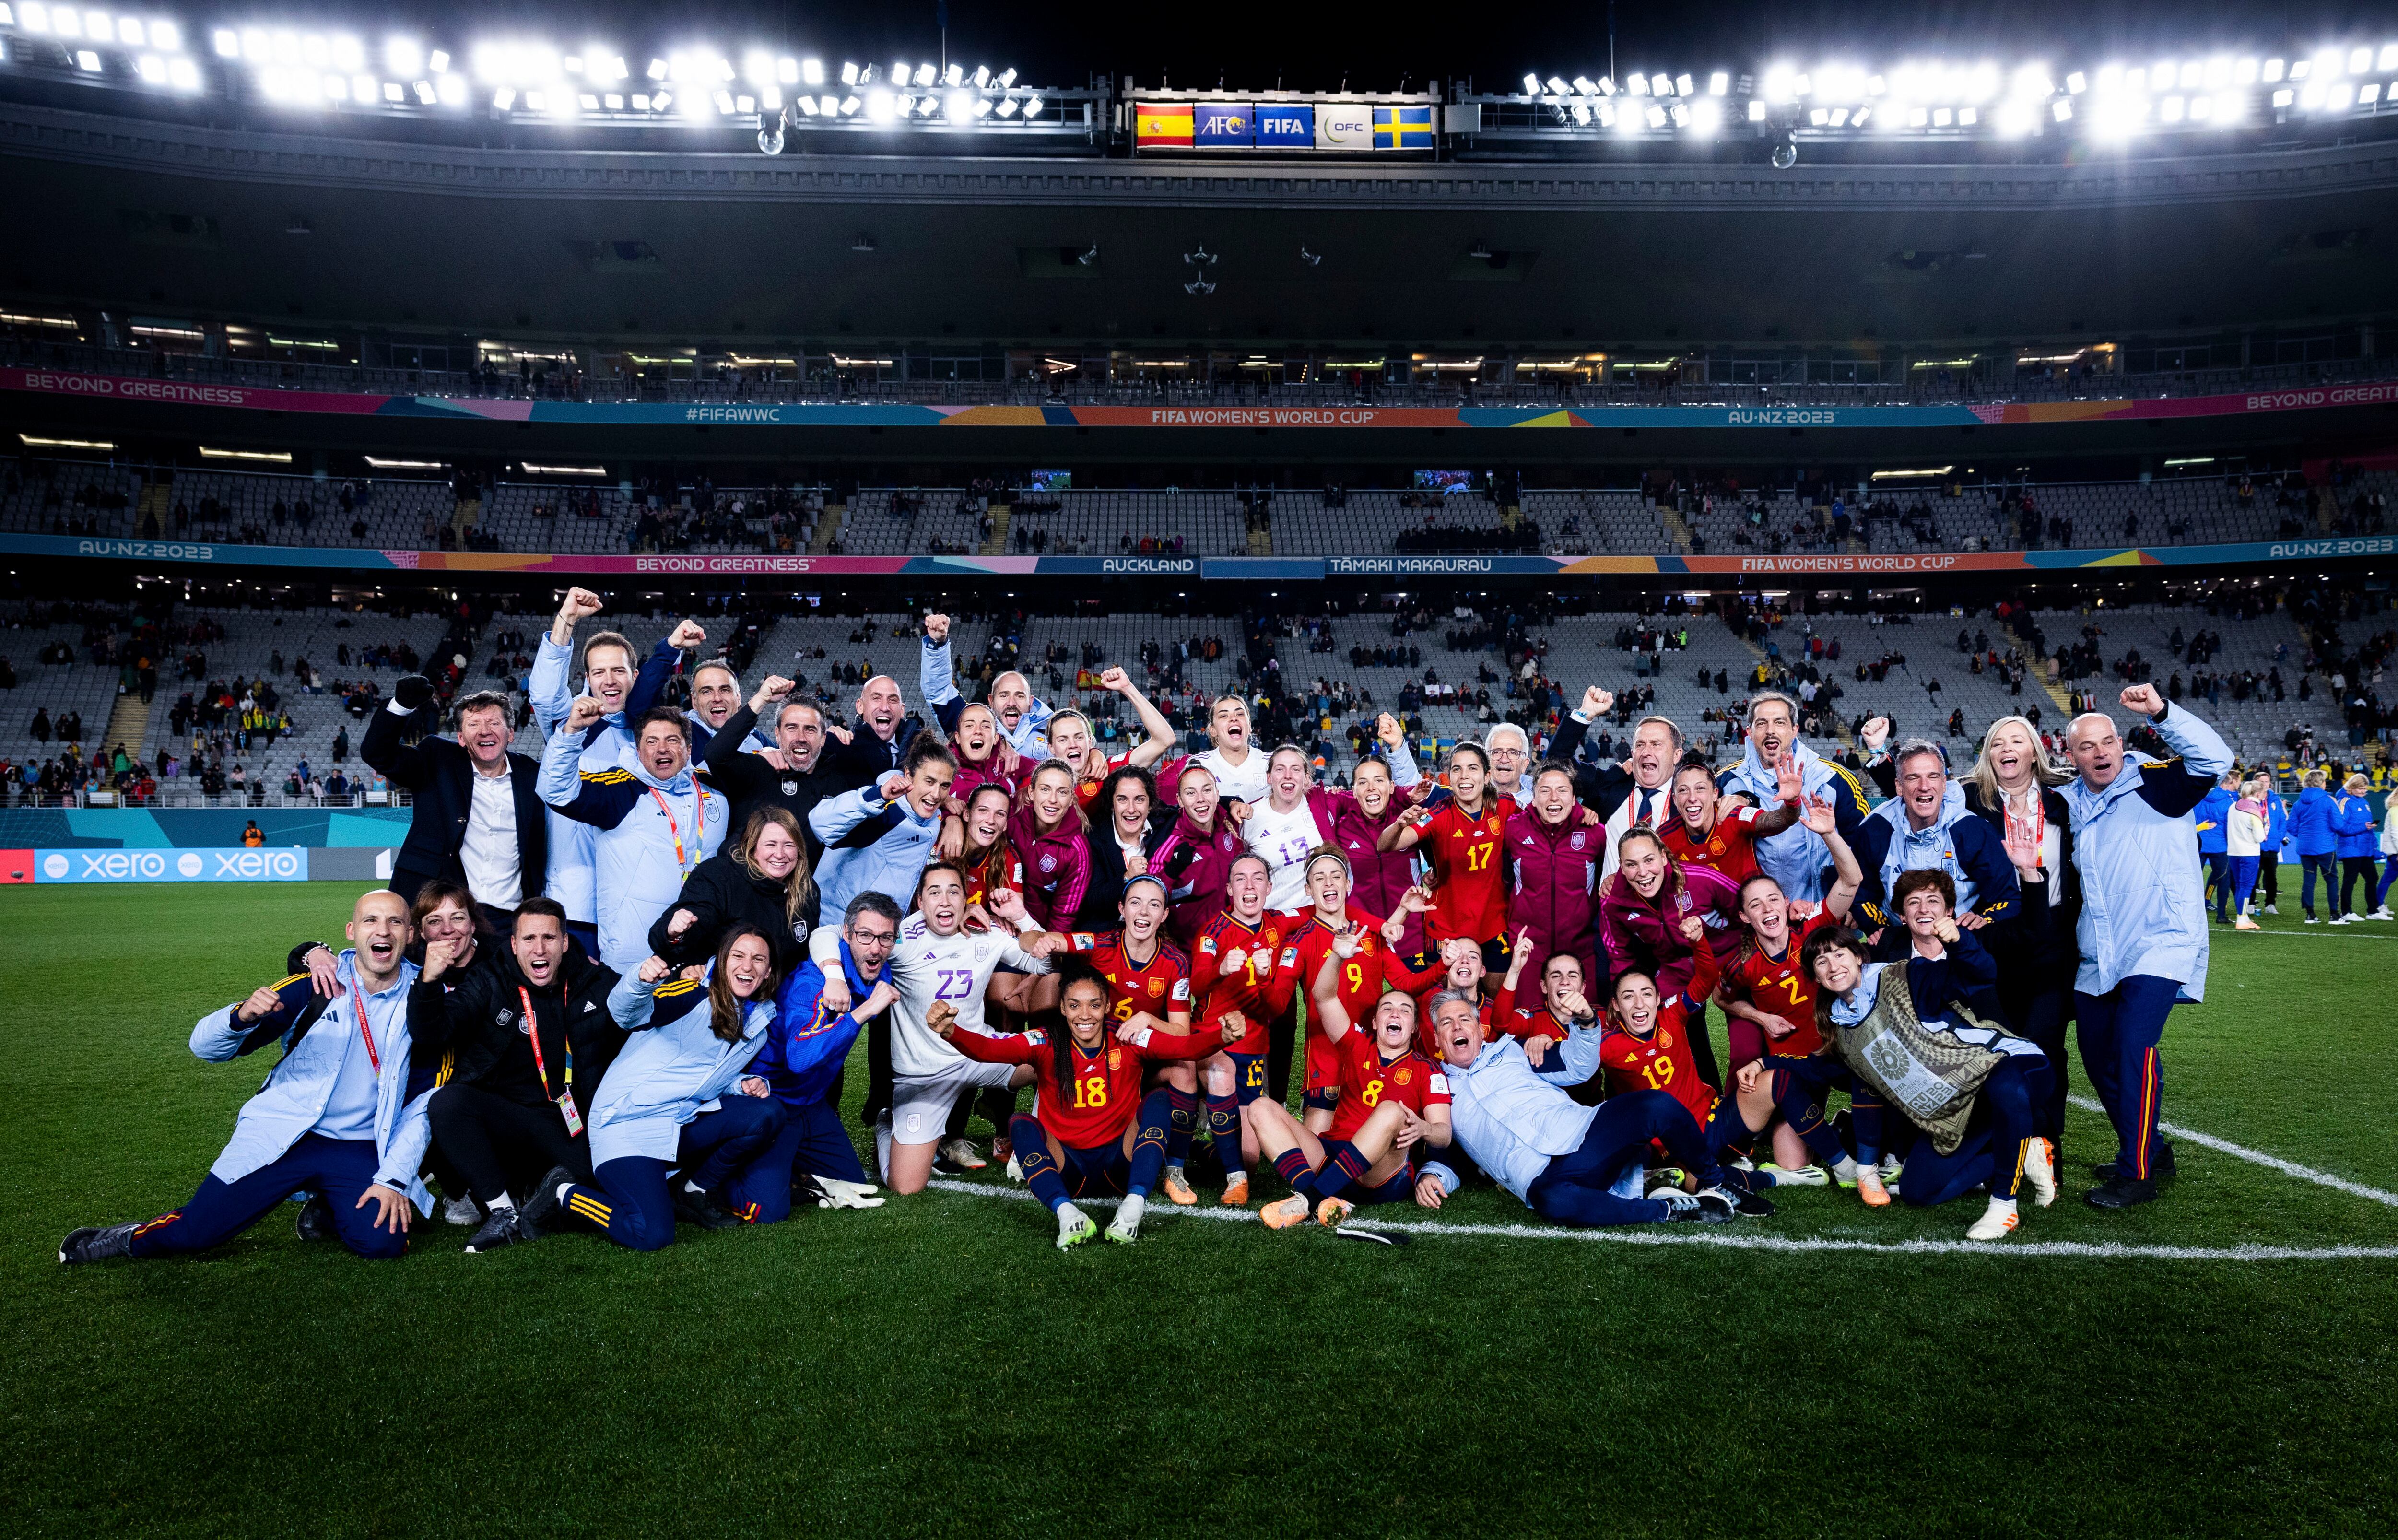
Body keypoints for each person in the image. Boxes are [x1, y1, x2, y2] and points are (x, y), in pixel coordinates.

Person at [61, 892, 437, 1264]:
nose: (382, 930)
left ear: (411, 934)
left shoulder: (431, 1000)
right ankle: (127, 1238)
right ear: (352, 931)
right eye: (371, 920)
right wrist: (240, 1016)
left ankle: (330, 1204)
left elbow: (424, 1103)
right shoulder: (313, 986)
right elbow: (204, 1047)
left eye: (395, 921)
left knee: (384, 1243)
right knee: (198, 1233)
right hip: (288, 1134)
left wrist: (392, 1179)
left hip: (361, 1147)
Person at [1805, 876, 2058, 1240]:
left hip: (2005, 1065)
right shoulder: (1841, 1026)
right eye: (1821, 961)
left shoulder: (1908, 972)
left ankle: (2004, 1205)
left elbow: (1981, 973)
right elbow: (1830, 1069)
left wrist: (1959, 942)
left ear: (1860, 957)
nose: (1832, 966)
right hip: (1960, 1103)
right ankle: (2027, 1150)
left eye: (1839, 954)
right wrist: (1766, 1065)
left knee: (2003, 1083)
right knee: (1918, 1190)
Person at [2062, 685, 2234, 1209]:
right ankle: (2151, 1148)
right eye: (2086, 746)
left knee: (2132, 1048)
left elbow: (2216, 758)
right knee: (2096, 1057)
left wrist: (2160, 713)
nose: (2100, 752)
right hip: (2099, 949)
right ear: (2070, 756)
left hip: (2159, 940)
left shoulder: (2157, 782)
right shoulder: (2066, 801)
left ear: (2121, 742)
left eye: (2107, 740)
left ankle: (2135, 1174)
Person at [516, 928, 785, 1249]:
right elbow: (625, 1012)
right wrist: (639, 980)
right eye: (739, 956)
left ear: (769, 971)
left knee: (768, 1113)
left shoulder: (759, 1024)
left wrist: (742, 1083)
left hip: (677, 1122)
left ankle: (693, 1190)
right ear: (724, 959)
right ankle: (564, 1193)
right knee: (651, 1234)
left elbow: (703, 1074)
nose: (748, 966)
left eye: (759, 959)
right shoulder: (692, 992)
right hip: (626, 1124)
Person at [943, 958, 1241, 1247]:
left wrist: (1223, 1037)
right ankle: (1067, 1215)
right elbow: (988, 1049)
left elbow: (1185, 1045)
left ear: (1107, 1006)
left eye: (1094, 1005)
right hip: (1068, 1168)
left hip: (1121, 1164)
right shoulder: (1046, 1041)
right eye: (1074, 1006)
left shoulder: (1128, 1038)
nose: (1085, 1015)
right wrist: (950, 1032)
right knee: (1020, 1124)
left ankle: (1133, 1209)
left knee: (1160, 1101)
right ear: (1062, 1008)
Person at [811, 865, 1053, 1192]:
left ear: (966, 900)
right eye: (935, 892)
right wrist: (835, 977)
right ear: (920, 903)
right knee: (905, 1186)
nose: (945, 900)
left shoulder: (985, 932)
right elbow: (825, 934)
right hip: (923, 1074)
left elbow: (1047, 963)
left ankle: (1038, 1149)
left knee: (1057, 1059)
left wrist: (1021, 917)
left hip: (980, 1054)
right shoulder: (901, 938)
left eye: (954, 891)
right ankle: (887, 1121)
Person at [1429, 990, 1751, 1227]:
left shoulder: (1512, 1050)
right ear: (1436, 1037)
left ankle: (1715, 1181)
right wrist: (1433, 1173)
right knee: (1550, 1200)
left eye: (1465, 1019)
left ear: (1478, 1027)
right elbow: (1442, 1139)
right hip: (1538, 1174)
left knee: (1656, 1104)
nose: (1458, 1028)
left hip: (1583, 1134)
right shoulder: (1437, 1085)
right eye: (1447, 1023)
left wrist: (1584, 1021)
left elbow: (1579, 1065)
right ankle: (1668, 1209)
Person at [423, 898, 627, 1253]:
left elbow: (639, 1010)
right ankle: (504, 1211)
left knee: (607, 1182)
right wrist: (428, 981)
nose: (540, 949)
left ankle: (539, 1195)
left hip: (566, 1119)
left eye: (549, 938)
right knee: (448, 1103)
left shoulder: (594, 980)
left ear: (565, 942)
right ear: (514, 944)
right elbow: (433, 1030)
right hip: (505, 1117)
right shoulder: (490, 978)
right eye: (529, 939)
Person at [1958, 715, 2081, 1158]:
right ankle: (2003, 1147)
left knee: (2045, 1042)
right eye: (1997, 743)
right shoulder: (1971, 799)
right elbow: (1920, 791)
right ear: (1989, 756)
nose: (2006, 749)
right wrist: (1879, 757)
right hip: (1995, 936)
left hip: (2052, 936)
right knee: (1998, 1045)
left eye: (2017, 741)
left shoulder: (2065, 800)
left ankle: (2047, 1146)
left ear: (2034, 751)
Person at [1597, 916, 1791, 1184]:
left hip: (1709, 1119)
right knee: (1693, 1180)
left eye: (1646, 994)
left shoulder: (1672, 1015)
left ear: (1658, 998)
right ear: (1616, 1005)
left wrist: (1699, 941)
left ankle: (1835, 1153)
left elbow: (1705, 979)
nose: (1639, 1004)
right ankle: (1769, 1178)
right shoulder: (1608, 1047)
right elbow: (1575, 1068)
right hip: (1666, 1145)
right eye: (1629, 996)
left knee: (1778, 1080)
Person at [529, 588, 672, 952]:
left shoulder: (651, 737)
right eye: (599, 671)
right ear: (588, 678)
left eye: (618, 670)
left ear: (635, 675)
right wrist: (568, 619)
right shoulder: (571, 722)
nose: (609, 680)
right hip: (577, 900)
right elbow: (545, 694)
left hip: (636, 901)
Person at [538, 702, 729, 973]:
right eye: (652, 741)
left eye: (672, 740)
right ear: (638, 752)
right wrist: (572, 732)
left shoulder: (715, 790)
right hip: (634, 953)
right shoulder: (620, 789)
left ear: (688, 750)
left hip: (699, 947)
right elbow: (556, 791)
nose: (662, 748)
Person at [1251, 989, 1455, 1228]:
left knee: (1391, 1110)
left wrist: (1424, 1128)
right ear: (1375, 1022)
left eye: (1405, 1010)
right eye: (1387, 1008)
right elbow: (1323, 996)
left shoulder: (1428, 1069)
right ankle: (1320, 1198)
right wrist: (1337, 954)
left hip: (1381, 1173)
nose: (1395, 1014)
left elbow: (1445, 1134)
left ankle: (1309, 1200)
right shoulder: (1359, 1044)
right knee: (1260, 1107)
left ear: (1414, 1028)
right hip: (1333, 1155)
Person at [759, 893, 907, 1213]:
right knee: (769, 1207)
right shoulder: (814, 983)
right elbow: (798, 1058)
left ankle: (796, 1163)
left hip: (812, 1105)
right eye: (866, 935)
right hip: (772, 1101)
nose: (876, 948)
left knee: (851, 1180)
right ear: (847, 934)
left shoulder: (877, 969)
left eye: (886, 938)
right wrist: (862, 1012)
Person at [362, 677, 545, 924]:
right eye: (474, 724)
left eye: (494, 723)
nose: (484, 731)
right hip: (440, 914)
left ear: (510, 734)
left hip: (509, 916)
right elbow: (378, 754)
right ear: (460, 737)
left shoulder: (533, 775)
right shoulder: (437, 759)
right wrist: (401, 706)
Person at [1187, 853, 1305, 1203]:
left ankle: (1197, 1148)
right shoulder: (1213, 931)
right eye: (1240, 878)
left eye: (1257, 878)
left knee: (1251, 1159)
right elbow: (1196, 984)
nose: (1249, 886)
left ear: (1270, 888)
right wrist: (1221, 968)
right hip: (1214, 1041)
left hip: (1254, 1050)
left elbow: (1320, 910)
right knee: (1220, 1079)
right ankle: (1230, 1177)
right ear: (1229, 889)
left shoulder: (1278, 924)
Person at [1597, 825, 1743, 1087]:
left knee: (1749, 1039)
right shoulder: (1614, 900)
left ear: (1664, 857)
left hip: (1728, 958)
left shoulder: (1699, 878)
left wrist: (1747, 952)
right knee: (1651, 1011)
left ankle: (1731, 1106)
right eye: (1631, 865)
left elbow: (1744, 908)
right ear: (1621, 866)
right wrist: (1623, 994)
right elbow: (1619, 956)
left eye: (1649, 860)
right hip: (1676, 970)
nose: (1642, 873)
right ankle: (1665, 1096)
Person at [1717, 694, 1878, 902]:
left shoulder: (1833, 778)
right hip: (1760, 916)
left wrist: (1858, 903)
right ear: (1749, 732)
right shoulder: (1726, 783)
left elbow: (1865, 847)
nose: (1770, 731)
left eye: (1780, 722)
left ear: (1794, 730)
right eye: (1762, 723)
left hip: (1823, 911)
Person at [1850, 739, 2022, 934]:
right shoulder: (1875, 830)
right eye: (1913, 778)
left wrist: (1984, 919)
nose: (1924, 786)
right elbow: (1861, 895)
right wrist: (1883, 931)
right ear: (1899, 786)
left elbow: (2008, 898)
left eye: (1933, 777)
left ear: (1944, 783)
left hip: (1960, 941)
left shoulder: (1974, 831)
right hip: (1899, 943)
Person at [1381, 741, 1517, 969]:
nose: (1464, 776)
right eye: (1457, 769)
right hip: (1446, 926)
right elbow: (1386, 845)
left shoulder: (1504, 807)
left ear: (1487, 776)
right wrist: (1398, 825)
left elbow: (1541, 817)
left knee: (1497, 1000)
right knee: (1448, 1002)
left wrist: (1581, 810)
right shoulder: (1438, 814)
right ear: (1449, 778)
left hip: (1493, 924)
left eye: (1473, 768)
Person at [808, 732, 955, 929]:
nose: (937, 794)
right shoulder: (884, 810)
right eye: (929, 782)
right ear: (909, 775)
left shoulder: (933, 820)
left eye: (944, 786)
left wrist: (954, 820)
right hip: (837, 929)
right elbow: (819, 822)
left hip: (882, 937)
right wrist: (878, 795)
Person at [650, 808, 817, 973]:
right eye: (771, 845)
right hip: (715, 986)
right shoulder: (720, 876)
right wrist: (674, 932)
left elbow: (803, 957)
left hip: (778, 992)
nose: (780, 854)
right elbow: (688, 928)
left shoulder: (807, 889)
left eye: (789, 845)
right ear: (752, 848)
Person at [702, 675, 841, 855]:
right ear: (777, 734)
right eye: (791, 728)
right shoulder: (761, 769)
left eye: (810, 729)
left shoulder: (838, 779)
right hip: (749, 880)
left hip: (808, 883)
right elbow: (715, 755)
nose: (800, 738)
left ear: (823, 738)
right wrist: (760, 700)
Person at [1503, 761, 1607, 991]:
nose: (1553, 798)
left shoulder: (1596, 834)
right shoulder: (1513, 829)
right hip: (1528, 950)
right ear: (1533, 797)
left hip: (1580, 952)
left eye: (1562, 790)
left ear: (1573, 798)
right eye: (1545, 790)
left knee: (1581, 1023)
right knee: (1526, 1023)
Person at [921, 612, 1055, 760]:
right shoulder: (970, 725)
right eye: (1004, 695)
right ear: (991, 701)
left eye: (1019, 696)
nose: (1012, 703)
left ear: (1031, 702)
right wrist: (937, 644)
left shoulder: (1055, 731)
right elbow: (939, 693)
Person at [1660, 751, 1801, 885]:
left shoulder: (1734, 816)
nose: (1692, 798)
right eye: (1683, 791)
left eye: (1700, 789)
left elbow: (1779, 820)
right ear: (1675, 799)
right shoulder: (1664, 838)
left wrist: (1792, 803)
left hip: (1750, 908)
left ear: (1715, 794)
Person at [1046, 667, 1177, 810]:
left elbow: (1165, 740)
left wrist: (1128, 689)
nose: (1072, 745)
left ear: (1090, 741)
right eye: (1063, 740)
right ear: (1051, 747)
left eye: (1079, 737)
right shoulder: (1037, 784)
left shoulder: (1107, 772)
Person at [1150, 760, 1246, 947]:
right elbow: (1150, 896)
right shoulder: (1170, 843)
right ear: (1179, 800)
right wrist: (1171, 873)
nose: (1200, 799)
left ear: (1218, 794)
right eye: (1191, 793)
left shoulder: (1232, 824)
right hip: (1190, 949)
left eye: (1207, 790)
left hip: (1235, 939)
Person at [1073, 765, 1162, 930]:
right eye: (1122, 799)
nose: (1131, 809)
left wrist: (1227, 802)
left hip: (1154, 932)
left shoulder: (1164, 825)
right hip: (1108, 932)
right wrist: (1127, 878)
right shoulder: (1093, 839)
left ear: (1150, 804)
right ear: (1112, 804)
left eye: (1139, 799)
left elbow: (1191, 810)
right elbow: (1093, 900)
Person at [821, 671, 924, 789]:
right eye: (876, 698)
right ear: (860, 706)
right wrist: (819, 738)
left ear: (902, 710)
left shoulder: (923, 749)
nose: (885, 707)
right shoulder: (839, 746)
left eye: (893, 700)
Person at [2291, 768, 2340, 923]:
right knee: (2331, 880)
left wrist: (2305, 835)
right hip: (2324, 847)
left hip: (2305, 848)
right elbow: (2338, 824)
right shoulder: (2328, 801)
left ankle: (2310, 914)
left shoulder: (2299, 803)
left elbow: (2292, 826)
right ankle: (2334, 914)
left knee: (2309, 879)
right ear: (2322, 783)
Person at [2332, 772, 2379, 923]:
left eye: (2365, 788)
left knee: (2372, 878)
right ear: (2351, 787)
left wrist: (2373, 844)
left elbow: (2366, 828)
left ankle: (2373, 911)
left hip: (2365, 848)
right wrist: (2362, 827)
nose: (2363, 791)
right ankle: (2346, 911)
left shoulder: (2364, 802)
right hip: (2351, 848)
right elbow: (2341, 827)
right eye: (2360, 788)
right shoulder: (2345, 801)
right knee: (2350, 880)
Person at [2223, 776, 2269, 931]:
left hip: (2233, 851)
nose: (2265, 796)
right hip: (2249, 852)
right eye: (2263, 793)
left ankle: (2243, 916)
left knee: (2239, 885)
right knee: (2246, 886)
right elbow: (2260, 837)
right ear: (2257, 794)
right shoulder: (2254, 809)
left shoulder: (2233, 806)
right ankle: (2242, 919)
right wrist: (2265, 831)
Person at [2194, 771, 2235, 922]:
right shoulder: (2228, 802)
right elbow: (2229, 827)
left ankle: (2193, 911)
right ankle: (2222, 916)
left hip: (2199, 843)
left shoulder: (2199, 797)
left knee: (2193, 879)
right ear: (2226, 784)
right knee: (2223, 879)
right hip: (2219, 846)